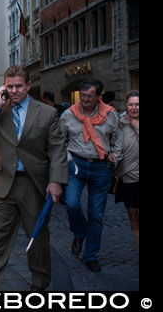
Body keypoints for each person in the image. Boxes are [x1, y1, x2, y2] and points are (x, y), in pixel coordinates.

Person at [0, 65, 68, 291]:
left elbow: (57, 149)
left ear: (28, 86)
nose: (14, 91)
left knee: (37, 238)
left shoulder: (47, 113)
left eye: (18, 86)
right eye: (10, 86)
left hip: (33, 184)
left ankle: (39, 283)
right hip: (2, 184)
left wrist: (56, 181)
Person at [59, 78, 123, 273]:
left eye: (90, 96)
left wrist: (115, 156)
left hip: (100, 167)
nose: (85, 99)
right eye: (82, 95)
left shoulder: (111, 115)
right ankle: (79, 233)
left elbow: (118, 140)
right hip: (76, 165)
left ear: (98, 97)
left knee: (96, 214)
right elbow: (60, 140)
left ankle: (91, 255)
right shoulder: (68, 115)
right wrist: (66, 158)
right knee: (71, 203)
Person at [115, 90, 139, 247]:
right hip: (128, 176)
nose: (134, 107)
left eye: (137, 104)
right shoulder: (120, 123)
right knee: (133, 215)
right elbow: (116, 145)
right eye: (131, 104)